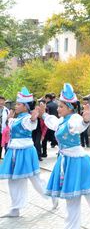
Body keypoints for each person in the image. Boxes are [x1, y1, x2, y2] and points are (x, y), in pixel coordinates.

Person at [41, 83, 90, 229]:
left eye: (61, 107)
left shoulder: (74, 119)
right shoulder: (61, 120)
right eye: (58, 106)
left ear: (69, 108)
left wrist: (85, 121)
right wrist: (43, 114)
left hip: (78, 161)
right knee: (72, 197)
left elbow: (79, 126)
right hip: (66, 161)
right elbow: (53, 123)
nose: (58, 109)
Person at [0, 87, 57, 218]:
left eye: (19, 104)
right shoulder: (17, 118)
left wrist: (33, 119)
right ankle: (15, 208)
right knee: (13, 180)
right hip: (14, 151)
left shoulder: (26, 118)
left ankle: (51, 195)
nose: (16, 106)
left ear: (25, 107)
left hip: (25, 151)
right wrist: (9, 119)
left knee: (35, 179)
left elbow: (31, 124)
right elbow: (11, 126)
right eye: (16, 104)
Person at [42, 93, 59, 157]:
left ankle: (44, 153)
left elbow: (45, 115)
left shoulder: (47, 106)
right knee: (55, 138)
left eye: (45, 98)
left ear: (48, 98)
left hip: (48, 124)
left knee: (45, 139)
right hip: (55, 123)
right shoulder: (56, 105)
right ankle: (61, 150)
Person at [0, 96, 7, 160]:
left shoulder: (7, 110)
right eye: (0, 101)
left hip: (3, 131)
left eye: (2, 101)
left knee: (3, 145)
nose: (1, 102)